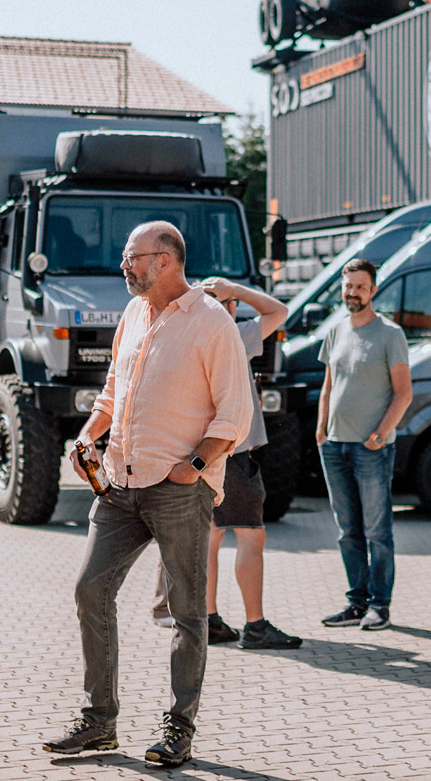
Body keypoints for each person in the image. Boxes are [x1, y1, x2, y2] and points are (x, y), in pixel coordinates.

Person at [42, 222, 253, 768]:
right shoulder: (133, 315)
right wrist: (90, 433)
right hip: (117, 485)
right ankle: (99, 721)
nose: (124, 266)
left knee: (187, 612)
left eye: (131, 257)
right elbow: (113, 390)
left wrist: (196, 466)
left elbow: (235, 414)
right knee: (91, 590)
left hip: (179, 491)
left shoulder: (212, 323)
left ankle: (178, 728)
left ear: (165, 260)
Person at [193, 278, 301, 651]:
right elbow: (280, 311)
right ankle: (255, 626)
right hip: (235, 454)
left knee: (209, 538)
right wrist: (236, 289)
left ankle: (208, 621)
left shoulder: (191, 337)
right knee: (252, 536)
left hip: (202, 454)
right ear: (229, 307)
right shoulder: (233, 336)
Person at [316, 259, 411, 632]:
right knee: (347, 532)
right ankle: (356, 603)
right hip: (334, 447)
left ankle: (380, 606)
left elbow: (403, 394)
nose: (352, 293)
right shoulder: (335, 331)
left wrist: (379, 435)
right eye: (348, 286)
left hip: (371, 449)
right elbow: (328, 385)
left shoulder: (390, 334)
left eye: (360, 287)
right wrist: (321, 430)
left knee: (377, 532)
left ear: (373, 291)